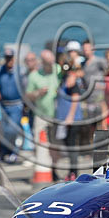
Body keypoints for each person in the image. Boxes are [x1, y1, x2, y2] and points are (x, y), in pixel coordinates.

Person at [26, 49, 61, 179]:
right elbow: (28, 95)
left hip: (57, 115)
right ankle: (41, 170)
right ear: (43, 63)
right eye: (48, 63)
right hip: (41, 115)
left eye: (52, 62)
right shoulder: (34, 76)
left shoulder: (57, 69)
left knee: (56, 144)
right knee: (40, 144)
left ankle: (55, 170)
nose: (51, 66)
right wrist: (38, 93)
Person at [0, 48, 24, 163]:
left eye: (10, 58)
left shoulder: (19, 71)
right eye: (7, 58)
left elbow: (25, 86)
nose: (9, 60)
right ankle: (4, 152)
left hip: (16, 105)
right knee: (4, 130)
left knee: (13, 129)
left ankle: (14, 151)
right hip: (4, 105)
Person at [55, 59, 86, 180]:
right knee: (68, 145)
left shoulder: (72, 83)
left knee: (72, 146)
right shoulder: (63, 80)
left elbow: (75, 99)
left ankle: (74, 172)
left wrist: (70, 117)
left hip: (72, 120)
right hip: (64, 119)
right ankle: (71, 172)